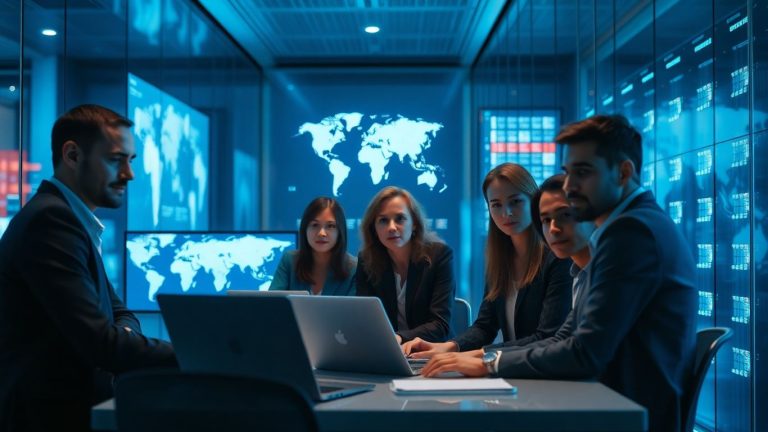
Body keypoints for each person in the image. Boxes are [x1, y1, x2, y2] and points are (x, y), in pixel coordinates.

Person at [422, 115, 697, 432]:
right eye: (568, 173)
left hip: (627, 412)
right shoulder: (628, 227)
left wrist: (488, 362)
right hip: (609, 402)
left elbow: (584, 353)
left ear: (623, 172)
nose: (569, 186)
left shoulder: (630, 231)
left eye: (582, 173)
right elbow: (567, 337)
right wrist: (478, 358)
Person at [0, 104, 177, 431]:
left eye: (131, 160)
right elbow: (100, 342)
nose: (129, 174)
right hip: (47, 419)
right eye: (116, 160)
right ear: (72, 155)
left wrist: (118, 335)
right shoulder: (50, 221)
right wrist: (196, 354)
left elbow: (120, 313)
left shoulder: (71, 221)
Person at [402, 163, 572, 358]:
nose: (506, 213)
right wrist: (449, 347)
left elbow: (546, 337)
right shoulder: (500, 260)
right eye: (496, 204)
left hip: (543, 372)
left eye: (515, 201)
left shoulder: (557, 258)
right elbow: (485, 326)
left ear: (534, 202)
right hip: (513, 371)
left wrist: (477, 356)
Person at [356, 186, 455, 344]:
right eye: (383, 220)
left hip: (431, 353)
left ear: (414, 223)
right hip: (386, 352)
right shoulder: (366, 260)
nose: (392, 227)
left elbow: (440, 324)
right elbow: (364, 319)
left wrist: (400, 338)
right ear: (374, 228)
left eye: (400, 219)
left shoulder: (439, 256)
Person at [270, 196, 356, 295]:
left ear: (340, 231)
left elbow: (354, 310)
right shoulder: (290, 260)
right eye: (315, 225)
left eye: (330, 226)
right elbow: (272, 303)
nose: (321, 233)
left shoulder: (354, 269)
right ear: (305, 229)